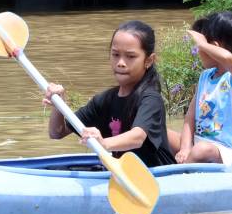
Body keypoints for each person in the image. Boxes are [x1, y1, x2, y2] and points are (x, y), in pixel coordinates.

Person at [42, 20, 175, 167]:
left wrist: (103, 143)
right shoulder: (103, 100)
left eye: (130, 56)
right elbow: (57, 132)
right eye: (116, 54)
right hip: (122, 173)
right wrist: (58, 105)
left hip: (158, 175)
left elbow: (137, 138)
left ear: (149, 60)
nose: (121, 62)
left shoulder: (151, 99)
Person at [171, 11, 232, 170]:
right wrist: (185, 148)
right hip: (196, 146)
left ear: (213, 47)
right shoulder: (205, 77)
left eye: (200, 48)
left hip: (224, 154)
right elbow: (189, 119)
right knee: (158, 132)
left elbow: (229, 59)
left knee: (201, 150)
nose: (198, 51)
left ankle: (181, 176)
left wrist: (203, 44)